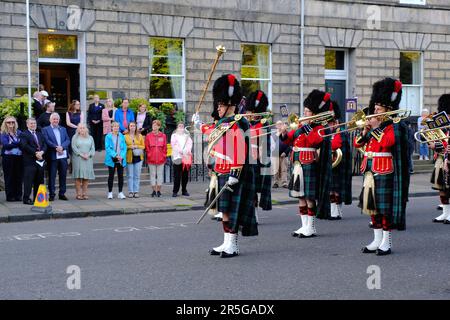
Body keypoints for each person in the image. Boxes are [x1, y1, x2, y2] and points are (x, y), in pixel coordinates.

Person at [192, 74, 257, 258]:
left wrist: (235, 173)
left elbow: (239, 150)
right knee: (224, 209)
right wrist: (198, 124)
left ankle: (233, 245)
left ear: (230, 104)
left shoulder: (238, 123)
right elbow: (212, 131)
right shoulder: (224, 123)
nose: (218, 108)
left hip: (231, 172)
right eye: (218, 104)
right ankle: (226, 242)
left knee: (232, 211)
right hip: (220, 170)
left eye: (221, 105)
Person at [355, 77, 410, 255]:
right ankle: (376, 239)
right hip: (370, 168)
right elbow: (357, 144)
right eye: (375, 108)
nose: (374, 111)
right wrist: (365, 131)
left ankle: (386, 242)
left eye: (378, 109)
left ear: (388, 109)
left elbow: (388, 142)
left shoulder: (394, 125)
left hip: (385, 169)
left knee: (384, 208)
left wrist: (375, 128)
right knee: (372, 206)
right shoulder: (375, 126)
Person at [280, 90, 332, 238]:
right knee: (300, 196)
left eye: (308, 111)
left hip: (309, 162)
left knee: (309, 197)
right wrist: (284, 132)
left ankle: (311, 226)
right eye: (305, 110)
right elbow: (288, 139)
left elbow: (314, 141)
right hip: (297, 163)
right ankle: (304, 226)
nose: (304, 113)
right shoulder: (301, 127)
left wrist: (307, 127)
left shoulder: (319, 127)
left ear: (315, 113)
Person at [246, 90, 273, 223]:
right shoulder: (246, 123)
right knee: (248, 190)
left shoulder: (264, 124)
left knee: (255, 189)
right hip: (246, 158)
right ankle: (250, 213)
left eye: (249, 112)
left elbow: (264, 144)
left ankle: (255, 214)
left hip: (256, 159)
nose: (247, 114)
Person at [326, 101, 352, 220]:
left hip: (339, 165)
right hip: (330, 164)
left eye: (330, 123)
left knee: (336, 190)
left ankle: (337, 211)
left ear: (336, 122)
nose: (328, 125)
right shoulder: (329, 131)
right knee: (331, 189)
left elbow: (336, 144)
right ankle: (333, 211)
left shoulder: (340, 131)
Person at [428, 94, 450, 224]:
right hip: (441, 158)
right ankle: (445, 213)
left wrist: (435, 145)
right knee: (441, 188)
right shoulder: (441, 126)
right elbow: (439, 140)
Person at [42, 113, 70, 201]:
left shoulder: (63, 129)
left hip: (63, 156)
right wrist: (56, 147)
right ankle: (52, 194)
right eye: (54, 119)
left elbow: (67, 140)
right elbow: (46, 140)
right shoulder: (45, 129)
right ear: (50, 120)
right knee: (52, 176)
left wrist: (62, 147)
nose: (55, 121)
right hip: (52, 156)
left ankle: (62, 193)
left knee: (63, 175)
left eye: (57, 119)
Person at [19, 118, 47, 205]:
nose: (33, 125)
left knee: (39, 181)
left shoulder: (39, 134)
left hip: (40, 161)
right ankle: (26, 199)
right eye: (31, 123)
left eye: (34, 123)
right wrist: (35, 153)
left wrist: (42, 152)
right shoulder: (24, 134)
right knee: (29, 181)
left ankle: (37, 198)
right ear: (27, 125)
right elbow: (24, 146)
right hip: (29, 161)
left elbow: (44, 144)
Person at [1, 116, 23, 202]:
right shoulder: (3, 133)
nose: (11, 124)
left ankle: (18, 196)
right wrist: (17, 143)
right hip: (8, 159)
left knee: (18, 177)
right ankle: (10, 196)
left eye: (13, 122)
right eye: (9, 122)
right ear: (5, 123)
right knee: (9, 177)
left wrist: (14, 143)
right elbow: (6, 145)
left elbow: (23, 143)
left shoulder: (19, 132)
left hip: (19, 158)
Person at [71, 123, 95, 200]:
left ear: (86, 129)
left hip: (88, 159)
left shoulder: (90, 138)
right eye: (80, 128)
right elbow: (73, 147)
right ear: (78, 129)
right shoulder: (75, 137)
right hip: (78, 159)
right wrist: (81, 154)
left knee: (86, 177)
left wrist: (89, 154)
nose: (82, 129)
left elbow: (93, 148)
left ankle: (84, 193)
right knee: (78, 177)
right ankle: (78, 194)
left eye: (83, 128)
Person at [105, 121, 127, 199]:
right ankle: (110, 192)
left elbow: (124, 147)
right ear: (112, 127)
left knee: (120, 176)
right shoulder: (108, 136)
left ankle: (120, 192)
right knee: (111, 176)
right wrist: (115, 155)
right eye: (114, 126)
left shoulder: (121, 136)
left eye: (117, 126)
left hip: (120, 159)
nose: (116, 128)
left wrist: (121, 156)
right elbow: (107, 147)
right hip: (112, 159)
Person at [145, 120, 167, 197]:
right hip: (151, 159)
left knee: (160, 175)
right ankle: (154, 190)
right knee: (153, 175)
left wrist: (163, 156)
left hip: (161, 159)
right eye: (153, 125)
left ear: (159, 127)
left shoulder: (163, 136)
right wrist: (149, 155)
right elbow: (147, 147)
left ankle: (159, 191)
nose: (154, 127)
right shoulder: (148, 136)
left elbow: (165, 147)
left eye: (156, 125)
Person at [170, 122, 193, 197]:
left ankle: (184, 190)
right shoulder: (174, 135)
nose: (181, 127)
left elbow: (189, 144)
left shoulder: (187, 136)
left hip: (186, 157)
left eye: (182, 126)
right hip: (177, 157)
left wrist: (186, 150)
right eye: (179, 126)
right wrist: (180, 150)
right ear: (177, 128)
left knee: (185, 175)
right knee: (177, 175)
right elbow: (174, 144)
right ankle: (175, 191)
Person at [125, 122, 145, 198]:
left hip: (138, 157)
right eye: (131, 126)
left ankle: (136, 191)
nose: (132, 127)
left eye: (134, 126)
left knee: (137, 175)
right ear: (129, 127)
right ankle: (130, 191)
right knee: (130, 175)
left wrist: (137, 146)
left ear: (136, 127)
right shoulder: (125, 136)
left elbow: (143, 146)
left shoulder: (139, 136)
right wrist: (130, 146)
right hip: (129, 157)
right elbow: (123, 146)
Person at [272, 121, 290, 189]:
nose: (280, 125)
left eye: (281, 124)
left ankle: (284, 182)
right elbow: (272, 142)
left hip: (284, 154)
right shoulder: (273, 133)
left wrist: (285, 152)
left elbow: (289, 145)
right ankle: (275, 182)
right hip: (275, 154)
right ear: (276, 126)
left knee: (284, 169)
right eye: (278, 124)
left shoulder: (287, 134)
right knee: (275, 169)